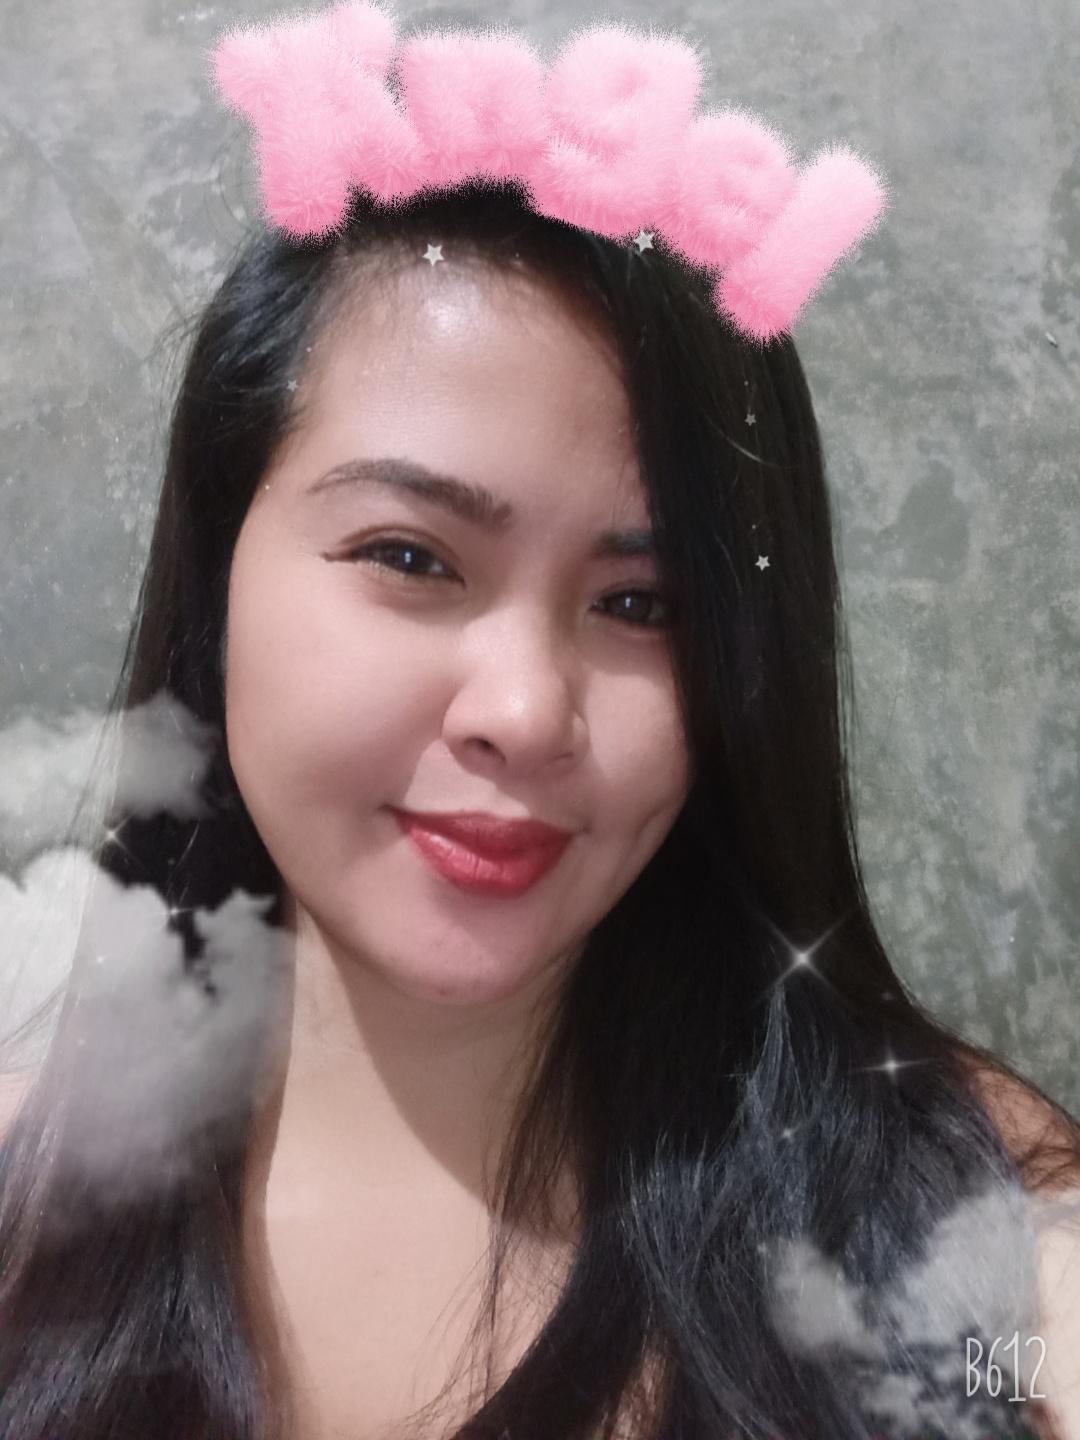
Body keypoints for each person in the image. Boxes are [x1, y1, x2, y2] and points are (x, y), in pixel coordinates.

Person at [1, 12, 1079, 1440]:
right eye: (411, 557)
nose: (523, 713)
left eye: (644, 605)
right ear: (222, 575)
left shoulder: (964, 1228)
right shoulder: (25, 1203)